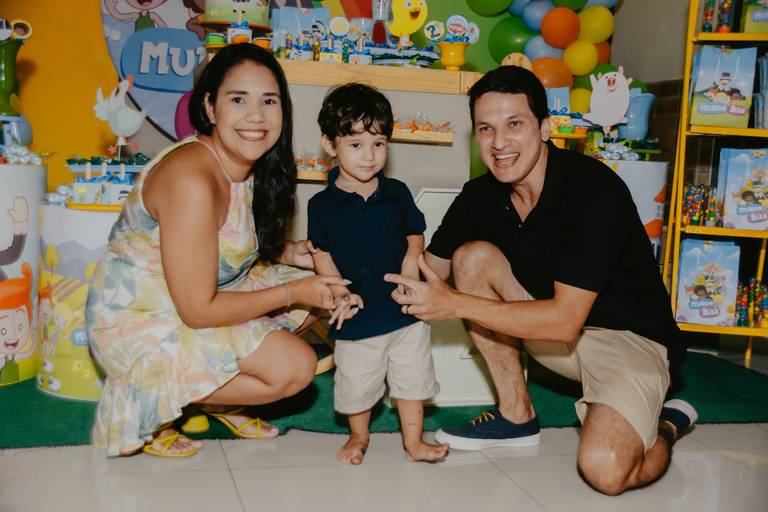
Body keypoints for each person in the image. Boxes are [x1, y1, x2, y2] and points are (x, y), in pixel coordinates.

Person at [384, 66, 698, 495]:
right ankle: (516, 415)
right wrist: (352, 281)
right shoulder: (479, 196)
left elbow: (565, 321)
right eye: (486, 128)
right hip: (548, 333)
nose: (499, 142)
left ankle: (669, 422)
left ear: (546, 128)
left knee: (606, 469)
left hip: (628, 341)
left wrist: (454, 304)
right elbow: (426, 276)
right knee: (471, 257)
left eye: (515, 124)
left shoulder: (595, 191)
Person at [86, 44, 348, 458]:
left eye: (269, 101)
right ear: (209, 107)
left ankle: (218, 396)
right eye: (238, 100)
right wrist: (293, 292)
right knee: (295, 367)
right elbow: (198, 310)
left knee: (323, 280)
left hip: (192, 296)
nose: (256, 116)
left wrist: (289, 254)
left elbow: (219, 243)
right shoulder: (191, 179)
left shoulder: (244, 164)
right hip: (143, 320)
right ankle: (164, 399)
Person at [307, 83, 448, 464]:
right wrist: (339, 293)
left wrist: (411, 260)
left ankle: (414, 442)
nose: (369, 155)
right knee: (357, 384)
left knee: (412, 381)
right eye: (356, 144)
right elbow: (321, 254)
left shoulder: (397, 192)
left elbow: (415, 233)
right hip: (356, 315)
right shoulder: (321, 205)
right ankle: (359, 437)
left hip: (404, 310)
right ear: (330, 145)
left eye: (379, 143)